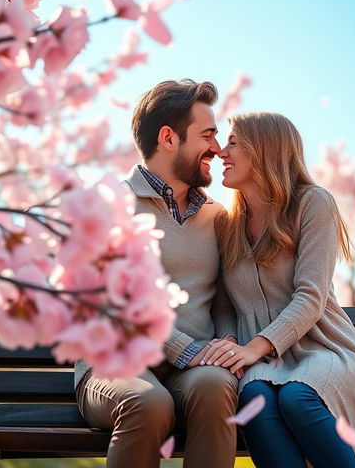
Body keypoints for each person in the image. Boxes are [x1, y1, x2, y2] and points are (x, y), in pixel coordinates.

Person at [202, 111, 355, 468]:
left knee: (298, 397)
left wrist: (254, 348)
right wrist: (232, 343)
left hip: (324, 348)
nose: (222, 152)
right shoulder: (226, 225)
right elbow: (223, 308)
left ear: (264, 148)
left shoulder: (313, 203)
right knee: (255, 399)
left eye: (233, 142)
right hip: (260, 358)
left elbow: (310, 297)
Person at [74, 79, 239, 468]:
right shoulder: (111, 205)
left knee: (218, 386)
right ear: (168, 138)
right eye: (208, 135)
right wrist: (184, 350)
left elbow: (225, 301)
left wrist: (227, 343)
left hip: (194, 371)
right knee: (148, 402)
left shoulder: (217, 217)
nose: (217, 149)